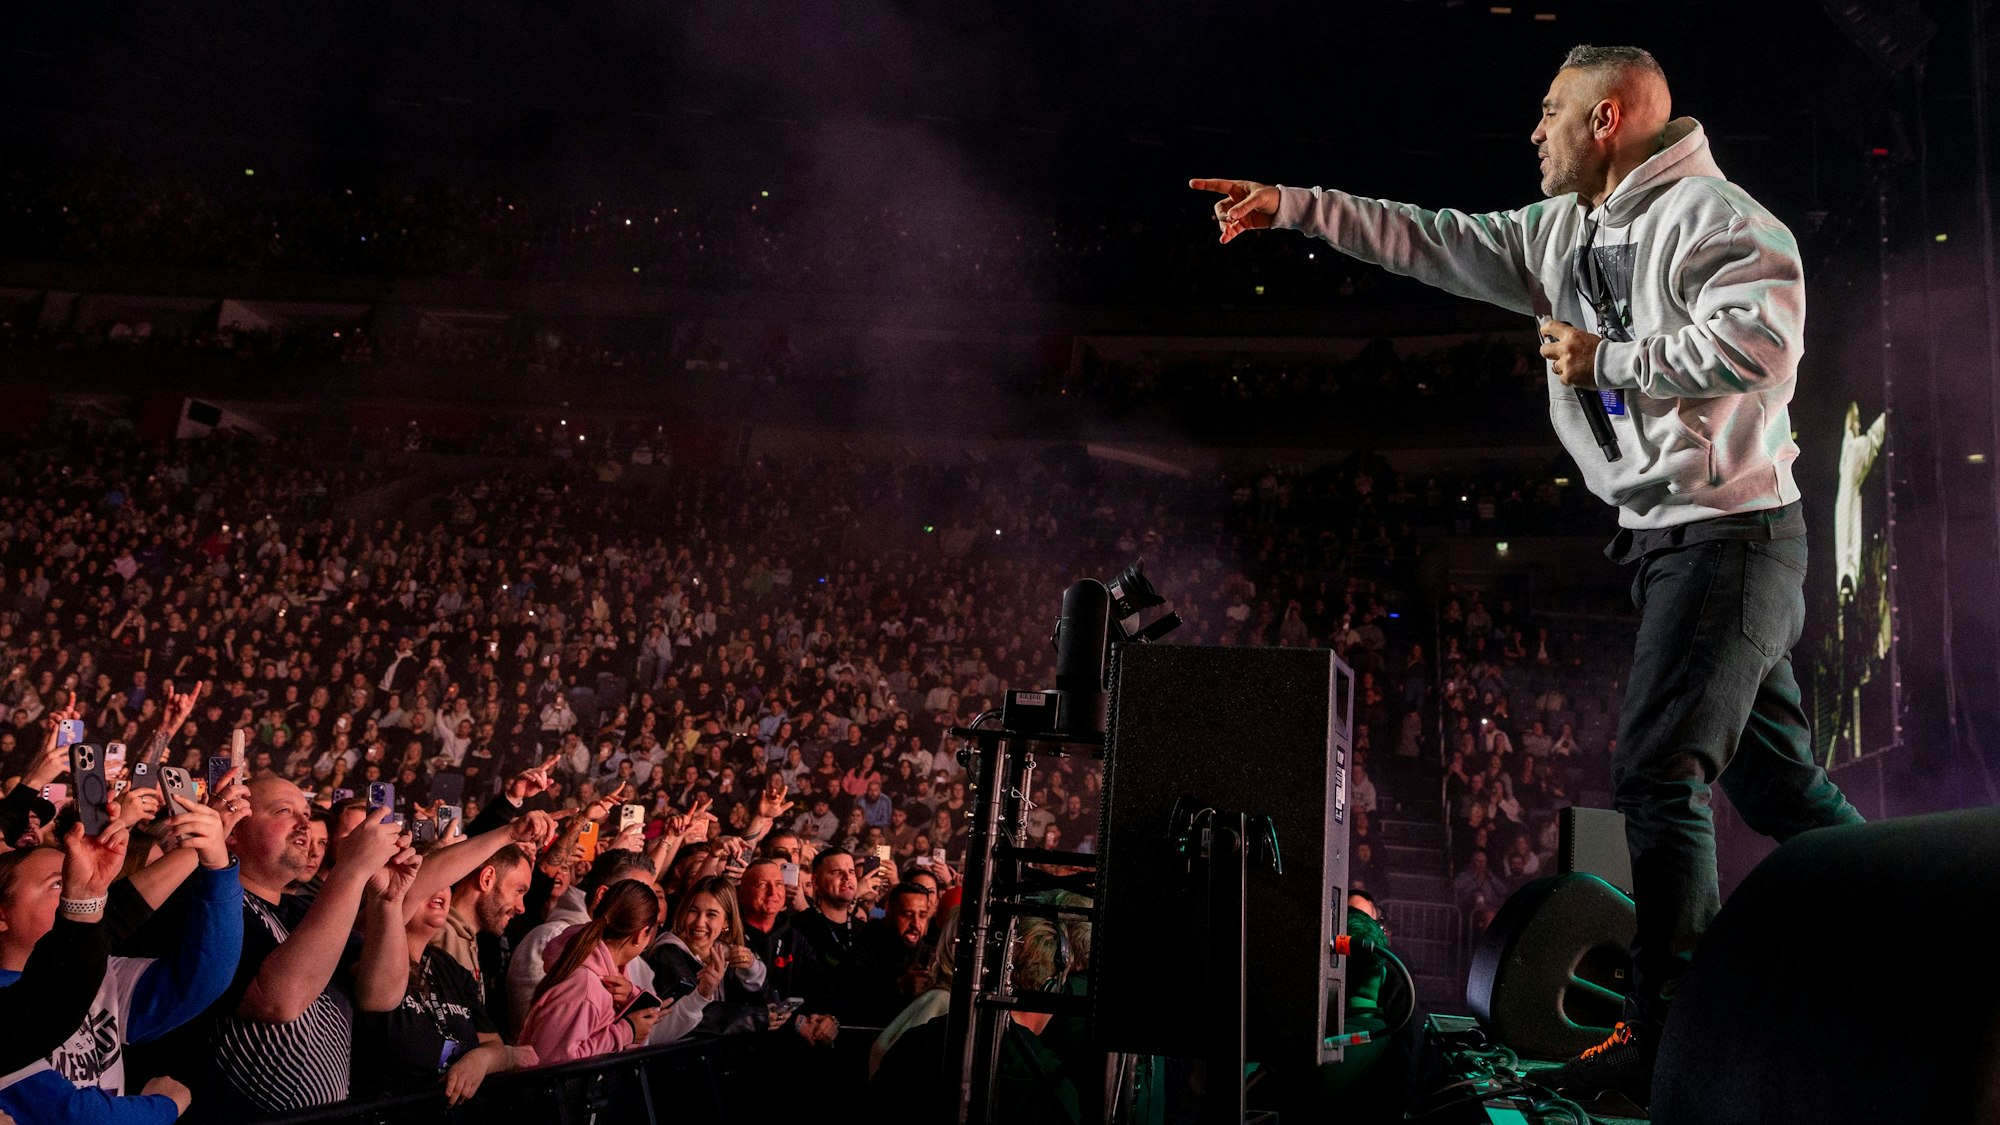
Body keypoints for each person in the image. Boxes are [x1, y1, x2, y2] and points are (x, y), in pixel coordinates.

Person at [1195, 43, 1861, 1101]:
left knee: (1655, 772)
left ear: (1605, 119)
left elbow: (1760, 353)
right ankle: (1927, 914)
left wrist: (1612, 362)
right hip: (1667, 542)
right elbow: (1431, 238)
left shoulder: (1723, 221)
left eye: (1550, 111)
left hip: (1732, 534)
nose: (1532, 131)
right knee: (1774, 781)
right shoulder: (1559, 234)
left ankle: (1664, 1028)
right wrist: (1292, 205)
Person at [515, 880, 666, 1064]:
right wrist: (626, 1032)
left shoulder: (609, 977)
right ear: (640, 935)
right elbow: (551, 1063)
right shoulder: (584, 985)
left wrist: (631, 997)